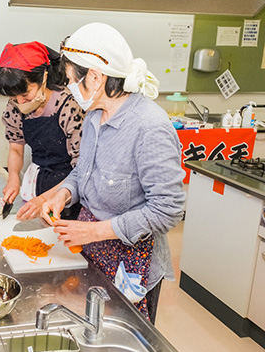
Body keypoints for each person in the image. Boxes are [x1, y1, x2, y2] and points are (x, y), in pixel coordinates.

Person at [42, 23, 186, 324]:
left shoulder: (149, 127)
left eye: (71, 80)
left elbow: (168, 210)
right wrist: (63, 194)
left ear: (95, 77)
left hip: (132, 263)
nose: (68, 88)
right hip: (93, 252)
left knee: (123, 345)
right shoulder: (94, 115)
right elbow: (83, 171)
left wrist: (95, 231)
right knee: (90, 334)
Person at [0, 41, 84, 220]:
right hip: (39, 182)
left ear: (43, 78)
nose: (20, 102)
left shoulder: (69, 106)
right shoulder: (14, 106)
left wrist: (45, 199)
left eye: (26, 95)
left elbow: (81, 169)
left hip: (70, 188)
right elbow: (16, 148)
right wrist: (13, 179)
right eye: (13, 97)